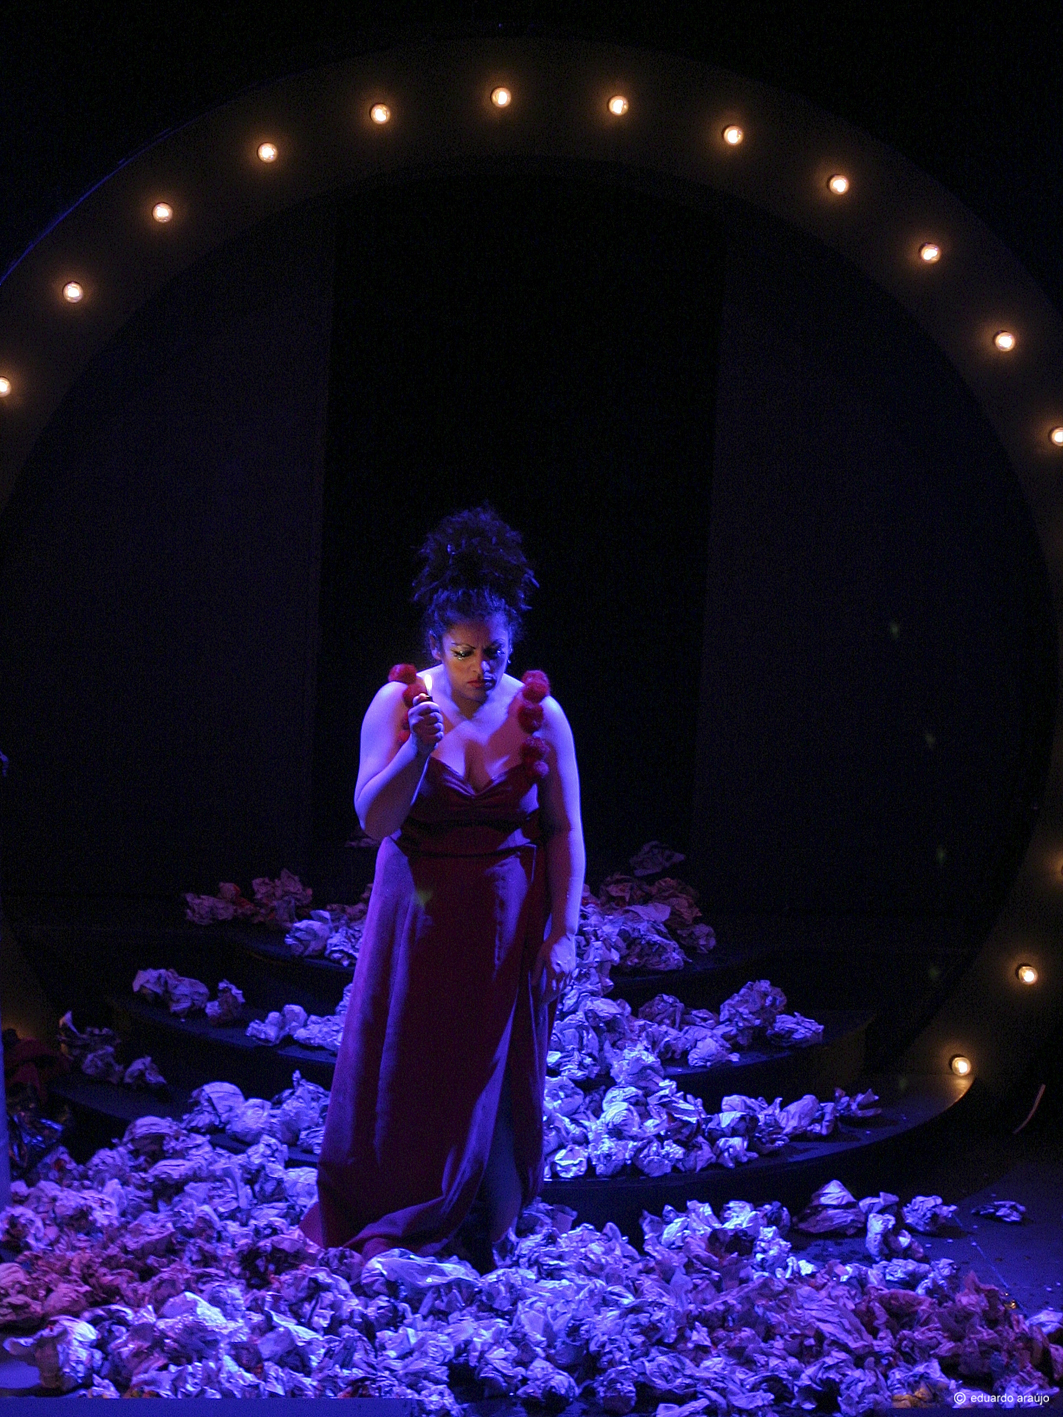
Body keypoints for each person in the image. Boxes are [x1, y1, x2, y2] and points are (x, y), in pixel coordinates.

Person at [301, 505, 584, 1268]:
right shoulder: (398, 704)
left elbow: (563, 828)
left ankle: (487, 1214)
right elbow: (374, 819)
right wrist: (417, 753)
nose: (480, 667)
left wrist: (562, 932)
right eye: (463, 651)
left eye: (494, 651)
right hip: (418, 916)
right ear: (436, 644)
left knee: (494, 1066)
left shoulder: (540, 714)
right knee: (409, 1059)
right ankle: (397, 1194)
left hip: (503, 919)